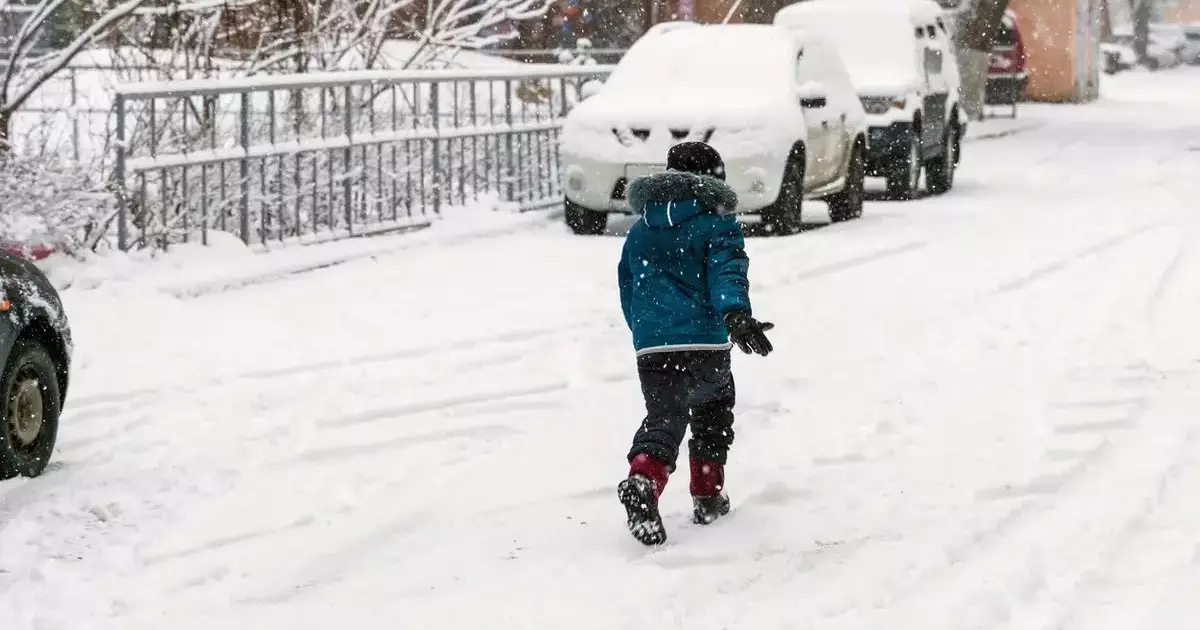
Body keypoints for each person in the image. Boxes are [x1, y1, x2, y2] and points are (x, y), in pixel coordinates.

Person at [616, 141, 775, 546]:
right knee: (713, 410)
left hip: (652, 348)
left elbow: (628, 287)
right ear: (712, 178)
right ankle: (706, 493)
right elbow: (728, 275)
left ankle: (644, 478)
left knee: (665, 417)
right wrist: (735, 316)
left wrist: (646, 332)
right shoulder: (717, 224)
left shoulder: (638, 233)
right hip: (704, 343)